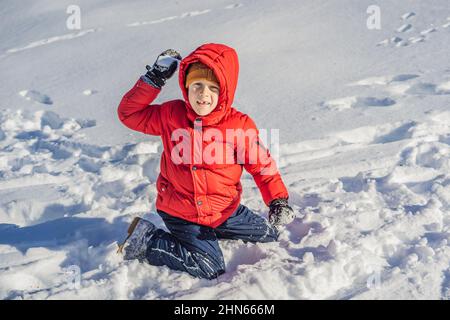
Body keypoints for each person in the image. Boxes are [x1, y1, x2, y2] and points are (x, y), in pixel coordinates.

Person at [117, 43, 295, 279]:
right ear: (186, 85)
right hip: (182, 211)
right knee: (209, 268)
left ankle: (214, 233)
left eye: (213, 87)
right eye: (197, 85)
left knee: (271, 234)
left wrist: (278, 201)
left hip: (224, 211)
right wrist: (154, 78)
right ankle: (148, 240)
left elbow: (263, 167)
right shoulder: (171, 115)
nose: (203, 94)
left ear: (225, 92)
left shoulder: (238, 126)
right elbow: (129, 114)